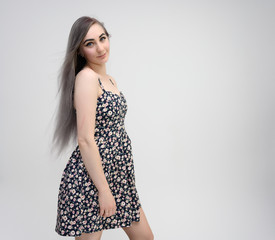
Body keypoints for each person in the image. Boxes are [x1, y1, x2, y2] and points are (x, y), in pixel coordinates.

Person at [52, 16, 154, 240]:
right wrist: (104, 191)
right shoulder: (87, 78)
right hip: (93, 180)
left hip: (118, 175)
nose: (100, 48)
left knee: (145, 237)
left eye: (102, 38)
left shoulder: (109, 80)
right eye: (90, 43)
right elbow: (85, 139)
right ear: (79, 51)